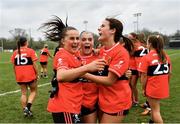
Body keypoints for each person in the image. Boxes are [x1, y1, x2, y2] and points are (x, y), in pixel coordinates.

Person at [40, 16, 106, 123]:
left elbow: (84, 50)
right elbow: (61, 76)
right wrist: (88, 67)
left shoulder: (74, 54)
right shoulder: (62, 54)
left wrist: (95, 50)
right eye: (71, 38)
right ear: (62, 41)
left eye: (77, 38)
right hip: (65, 107)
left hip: (74, 106)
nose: (75, 41)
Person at [83, 18, 132, 123]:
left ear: (112, 30)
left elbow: (109, 81)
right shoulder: (101, 51)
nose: (99, 28)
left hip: (117, 102)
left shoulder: (121, 52)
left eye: (102, 26)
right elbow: (88, 51)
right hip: (103, 101)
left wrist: (83, 73)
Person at [138, 35, 171, 123]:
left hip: (153, 88)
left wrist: (143, 89)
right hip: (163, 87)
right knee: (154, 108)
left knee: (156, 111)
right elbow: (169, 74)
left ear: (150, 44)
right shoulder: (166, 56)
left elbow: (144, 76)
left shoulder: (147, 57)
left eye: (148, 42)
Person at [11, 36, 38, 117]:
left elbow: (14, 65)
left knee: (23, 93)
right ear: (26, 42)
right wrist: (37, 74)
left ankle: (25, 110)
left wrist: (16, 75)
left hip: (20, 75)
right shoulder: (30, 51)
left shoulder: (15, 52)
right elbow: (34, 64)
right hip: (30, 75)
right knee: (33, 91)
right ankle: (28, 107)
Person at [79, 31, 99, 123]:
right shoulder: (72, 56)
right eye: (83, 39)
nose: (87, 42)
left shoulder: (99, 57)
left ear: (93, 42)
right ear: (79, 42)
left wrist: (126, 73)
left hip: (91, 103)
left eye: (90, 39)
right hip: (74, 102)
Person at [128, 32, 148, 106]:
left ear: (134, 37)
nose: (128, 38)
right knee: (129, 85)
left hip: (135, 67)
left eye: (130, 37)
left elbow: (131, 53)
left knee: (133, 85)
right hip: (129, 66)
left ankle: (136, 101)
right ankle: (131, 100)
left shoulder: (136, 44)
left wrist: (128, 49)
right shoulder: (132, 44)